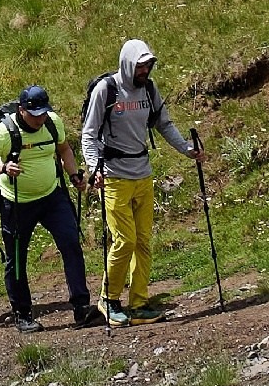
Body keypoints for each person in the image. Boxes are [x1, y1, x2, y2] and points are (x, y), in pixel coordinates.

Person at [81, 38, 201, 324]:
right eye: (140, 66)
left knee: (143, 241)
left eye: (148, 65)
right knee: (125, 240)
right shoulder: (106, 90)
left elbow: (164, 123)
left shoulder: (149, 89)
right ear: (127, 64)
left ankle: (138, 304)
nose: (145, 70)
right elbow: (89, 134)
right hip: (114, 177)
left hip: (143, 173)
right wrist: (93, 167)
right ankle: (108, 300)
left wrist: (186, 148)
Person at [0, 84, 100, 333]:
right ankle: (23, 315)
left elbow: (64, 148)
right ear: (22, 110)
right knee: (16, 261)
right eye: (35, 115)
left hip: (52, 197)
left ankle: (81, 307)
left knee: (71, 244)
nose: (40, 119)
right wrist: (2, 169)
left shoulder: (53, 123)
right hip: (16, 203)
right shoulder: (4, 133)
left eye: (43, 113)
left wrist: (74, 174)